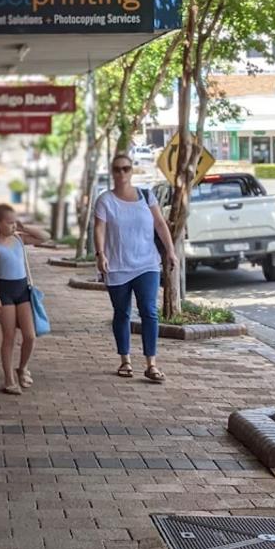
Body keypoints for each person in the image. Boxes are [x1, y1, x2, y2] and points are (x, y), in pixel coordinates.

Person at [94, 153, 178, 384]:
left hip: (147, 263)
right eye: (117, 169)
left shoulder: (146, 195)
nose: (122, 173)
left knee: (149, 311)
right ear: (112, 172)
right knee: (122, 313)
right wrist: (100, 254)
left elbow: (160, 224)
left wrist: (170, 251)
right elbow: (99, 229)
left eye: (126, 169)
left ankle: (151, 364)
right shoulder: (105, 200)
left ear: (132, 171)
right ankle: (125, 360)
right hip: (117, 265)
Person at [0, 202, 48, 395]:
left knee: (30, 335)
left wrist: (23, 227)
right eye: (10, 223)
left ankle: (22, 368)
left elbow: (46, 237)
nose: (13, 226)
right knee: (9, 338)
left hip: (22, 291)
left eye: (15, 222)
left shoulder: (19, 240)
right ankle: (9, 379)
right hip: (5, 294)